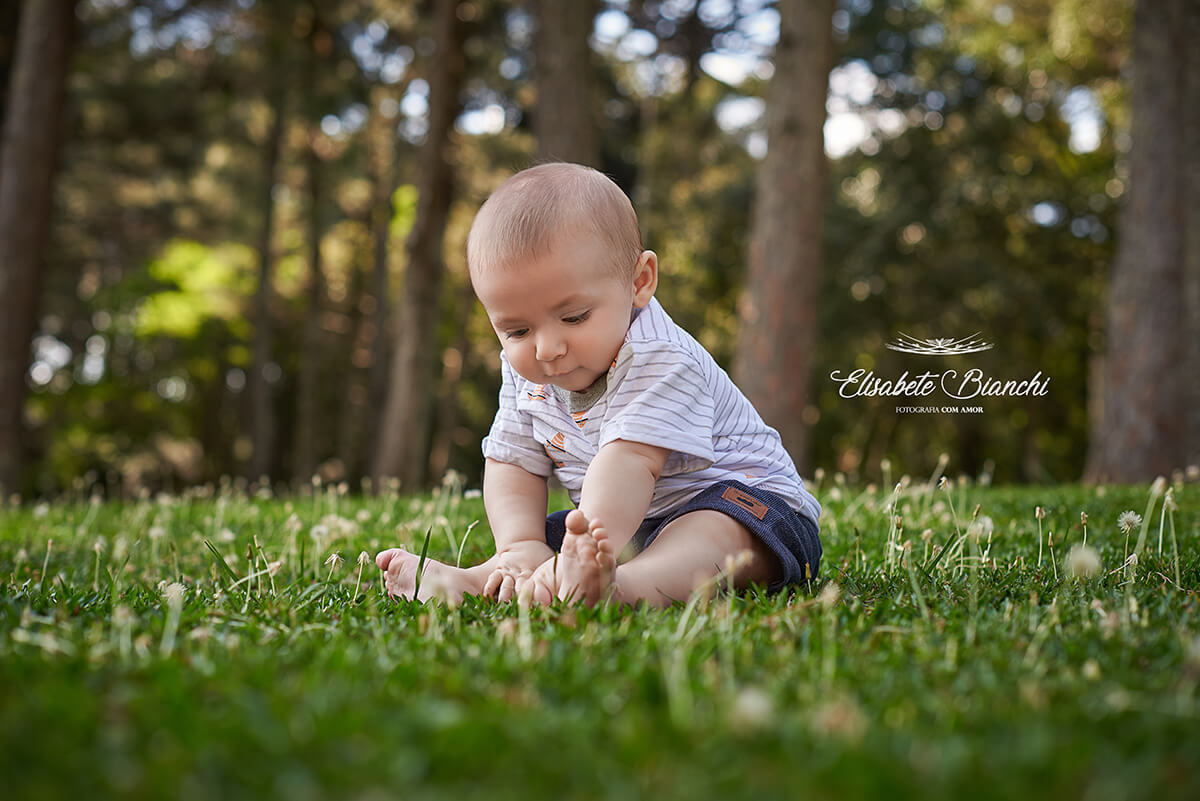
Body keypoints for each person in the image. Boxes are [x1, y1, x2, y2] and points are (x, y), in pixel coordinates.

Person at [376, 163, 821, 607]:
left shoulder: (660, 358)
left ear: (639, 281)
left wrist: (585, 541)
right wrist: (521, 544)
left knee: (709, 534)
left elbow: (629, 462)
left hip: (751, 511)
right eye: (517, 332)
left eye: (573, 317)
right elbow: (512, 462)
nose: (547, 348)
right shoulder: (525, 373)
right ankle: (489, 577)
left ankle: (617, 590)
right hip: (628, 521)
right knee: (555, 532)